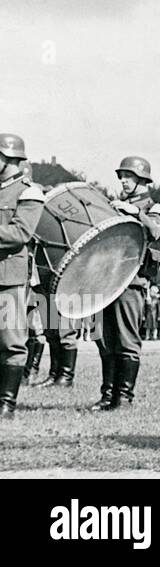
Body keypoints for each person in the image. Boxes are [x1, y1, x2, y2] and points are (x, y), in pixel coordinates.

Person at [90, 156, 160, 412]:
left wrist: (138, 213)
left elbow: (155, 231)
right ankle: (108, 395)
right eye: (121, 176)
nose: (122, 181)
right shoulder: (116, 204)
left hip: (132, 281)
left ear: (142, 179)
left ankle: (124, 397)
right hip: (109, 278)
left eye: (128, 177)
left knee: (127, 339)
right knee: (105, 339)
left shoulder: (153, 206)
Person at [0, 135, 44, 418]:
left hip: (8, 278)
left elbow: (20, 234)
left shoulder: (29, 192)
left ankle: (6, 405)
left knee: (10, 342)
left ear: (10, 158)